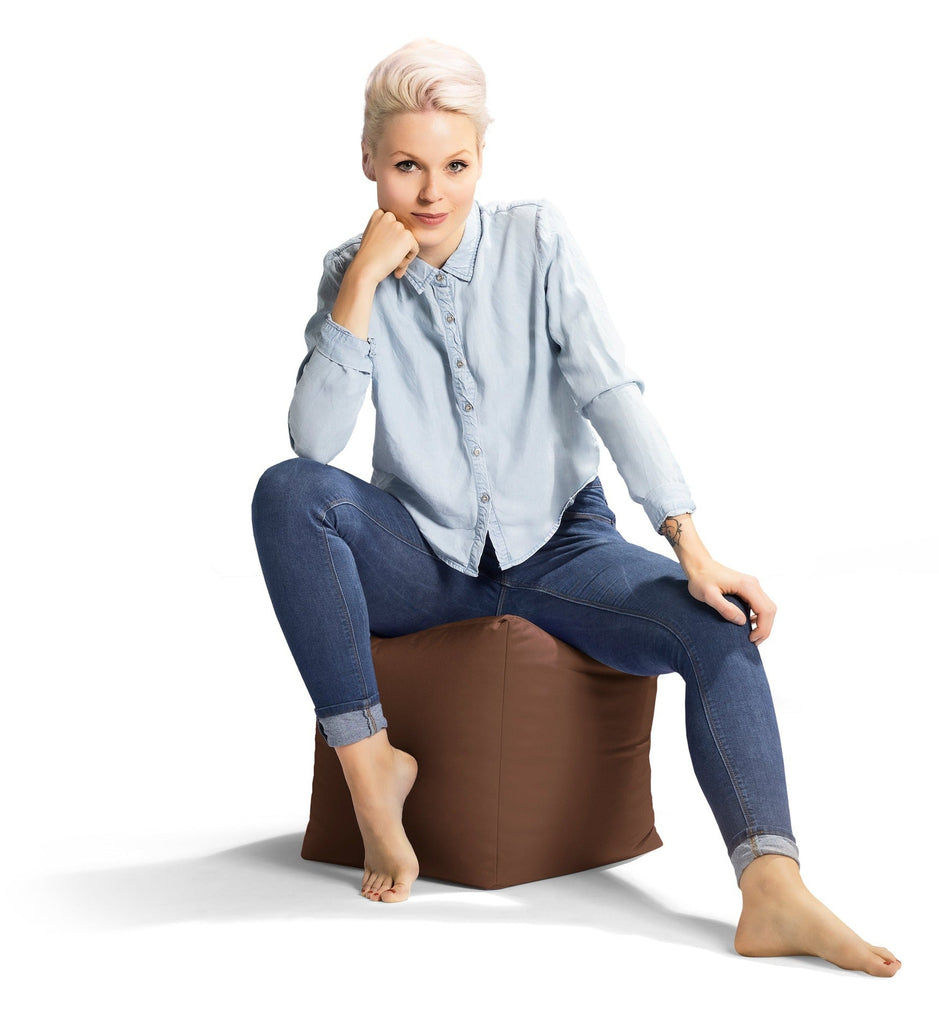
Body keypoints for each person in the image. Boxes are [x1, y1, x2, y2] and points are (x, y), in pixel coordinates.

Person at [251, 39, 901, 977]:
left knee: (714, 626)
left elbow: (611, 391)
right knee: (288, 492)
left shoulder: (537, 241)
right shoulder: (348, 272)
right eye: (407, 167)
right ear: (369, 163)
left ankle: (772, 888)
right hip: (423, 562)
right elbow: (315, 443)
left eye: (456, 165)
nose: (432, 193)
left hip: (562, 549)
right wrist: (360, 284)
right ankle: (371, 771)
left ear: (482, 158)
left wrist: (692, 546)